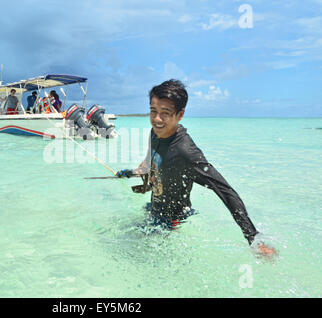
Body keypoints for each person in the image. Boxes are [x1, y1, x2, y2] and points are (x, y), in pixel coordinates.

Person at [116, 79, 276, 257]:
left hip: (173, 220)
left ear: (180, 114)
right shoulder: (154, 133)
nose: (157, 119)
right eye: (153, 111)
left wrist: (253, 238)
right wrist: (131, 172)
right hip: (155, 208)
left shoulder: (186, 153)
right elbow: (148, 163)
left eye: (165, 113)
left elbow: (225, 190)